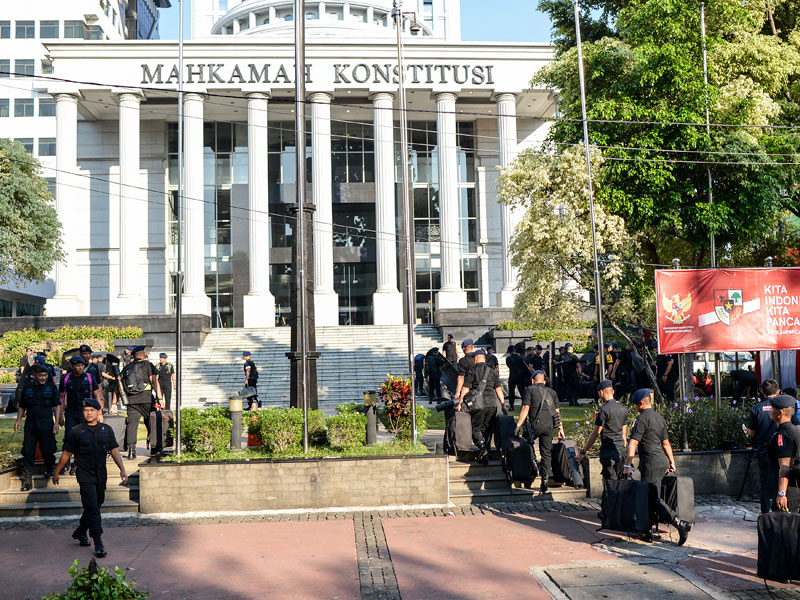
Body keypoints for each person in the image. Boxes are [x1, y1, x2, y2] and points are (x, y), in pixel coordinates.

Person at [53, 398, 127, 559]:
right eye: (86, 410)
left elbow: (114, 450)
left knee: (95, 505)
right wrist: (57, 471)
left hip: (101, 474)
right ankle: (98, 542)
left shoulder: (106, 430)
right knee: (93, 508)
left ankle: (80, 531)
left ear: (98, 412)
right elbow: (66, 453)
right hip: (84, 474)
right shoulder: (76, 431)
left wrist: (122, 469)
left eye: (92, 410)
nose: (88, 413)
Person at [623, 389, 691, 546]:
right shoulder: (659, 418)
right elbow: (665, 443)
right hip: (661, 461)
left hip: (651, 464)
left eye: (635, 405)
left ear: (641, 403)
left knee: (653, 498)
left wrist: (627, 464)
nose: (634, 407)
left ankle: (680, 523)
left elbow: (633, 442)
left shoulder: (641, 420)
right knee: (651, 497)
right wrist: (671, 461)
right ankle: (646, 531)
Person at [515, 370, 564, 493]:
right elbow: (557, 412)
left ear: (533, 380)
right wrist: (560, 429)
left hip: (534, 425)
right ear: (545, 381)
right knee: (546, 453)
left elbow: (525, 408)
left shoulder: (529, 390)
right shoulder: (552, 393)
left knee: (527, 443)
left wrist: (518, 425)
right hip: (549, 426)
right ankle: (545, 478)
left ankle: (533, 464)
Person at [14, 364, 62, 490]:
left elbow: (57, 405)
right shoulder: (28, 388)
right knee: (28, 451)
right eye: (40, 375)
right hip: (31, 423)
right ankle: (27, 480)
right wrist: (19, 420)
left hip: (46, 423)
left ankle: (50, 468)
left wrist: (56, 422)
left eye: (45, 375)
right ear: (34, 375)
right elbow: (22, 406)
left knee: (47, 449)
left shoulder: (51, 388)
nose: (43, 378)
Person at [457, 349, 505, 464]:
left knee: (476, 429)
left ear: (476, 358)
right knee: (487, 429)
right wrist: (503, 405)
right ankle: (484, 455)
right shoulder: (492, 371)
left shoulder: (473, 370)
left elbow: (466, 388)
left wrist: (460, 402)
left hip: (478, 404)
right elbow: (498, 389)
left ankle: (482, 447)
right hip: (492, 404)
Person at [59, 355, 103, 475]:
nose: (80, 368)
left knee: (83, 438)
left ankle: (77, 463)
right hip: (71, 412)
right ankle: (65, 462)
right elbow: (62, 398)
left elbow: (96, 395)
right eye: (77, 365)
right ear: (72, 366)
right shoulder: (66, 378)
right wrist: (59, 416)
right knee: (69, 436)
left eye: (81, 365)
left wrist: (99, 412)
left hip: (86, 413)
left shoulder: (89, 378)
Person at [576, 380, 628, 480]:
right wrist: (623, 449)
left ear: (601, 393)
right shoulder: (623, 409)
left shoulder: (603, 410)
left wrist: (583, 451)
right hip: (621, 451)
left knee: (610, 483)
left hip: (608, 452)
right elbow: (624, 433)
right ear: (612, 391)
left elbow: (596, 432)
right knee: (620, 483)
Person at [747, 379, 783, 514]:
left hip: (763, 450)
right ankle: (778, 513)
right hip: (780, 450)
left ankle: (765, 515)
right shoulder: (782, 408)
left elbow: (752, 432)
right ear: (778, 391)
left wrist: (748, 432)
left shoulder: (756, 408)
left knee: (764, 484)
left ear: (762, 391)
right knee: (779, 481)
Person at [121, 345, 162, 459]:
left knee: (132, 424)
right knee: (151, 422)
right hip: (146, 399)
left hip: (131, 400)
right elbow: (154, 382)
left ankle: (131, 451)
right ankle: (154, 448)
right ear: (144, 355)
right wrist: (160, 398)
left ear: (133, 356)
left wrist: (114, 403)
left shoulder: (127, 367)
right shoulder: (149, 365)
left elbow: (119, 385)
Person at [767, 394, 800, 513]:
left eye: (772, 409)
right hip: (794, 489)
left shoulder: (783, 435)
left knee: (784, 526)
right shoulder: (795, 430)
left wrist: (781, 493)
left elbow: (784, 466)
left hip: (787, 493)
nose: (770, 411)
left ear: (780, 412)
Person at [505, 345, 527, 412]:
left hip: (512, 376)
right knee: (522, 391)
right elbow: (524, 367)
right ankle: (524, 404)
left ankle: (511, 406)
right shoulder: (521, 358)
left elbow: (509, 366)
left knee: (511, 392)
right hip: (520, 377)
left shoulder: (508, 359)